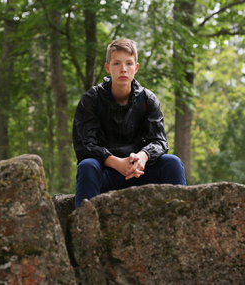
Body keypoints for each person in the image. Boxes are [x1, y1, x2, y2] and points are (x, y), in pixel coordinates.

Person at [72, 38, 186, 208]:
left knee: (172, 163)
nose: (123, 69)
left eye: (129, 64)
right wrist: (115, 162)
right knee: (87, 166)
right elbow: (84, 145)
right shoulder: (92, 99)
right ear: (108, 67)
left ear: (136, 68)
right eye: (117, 63)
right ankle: (83, 228)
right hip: (105, 172)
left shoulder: (148, 99)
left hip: (139, 172)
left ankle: (181, 224)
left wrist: (143, 156)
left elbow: (160, 141)